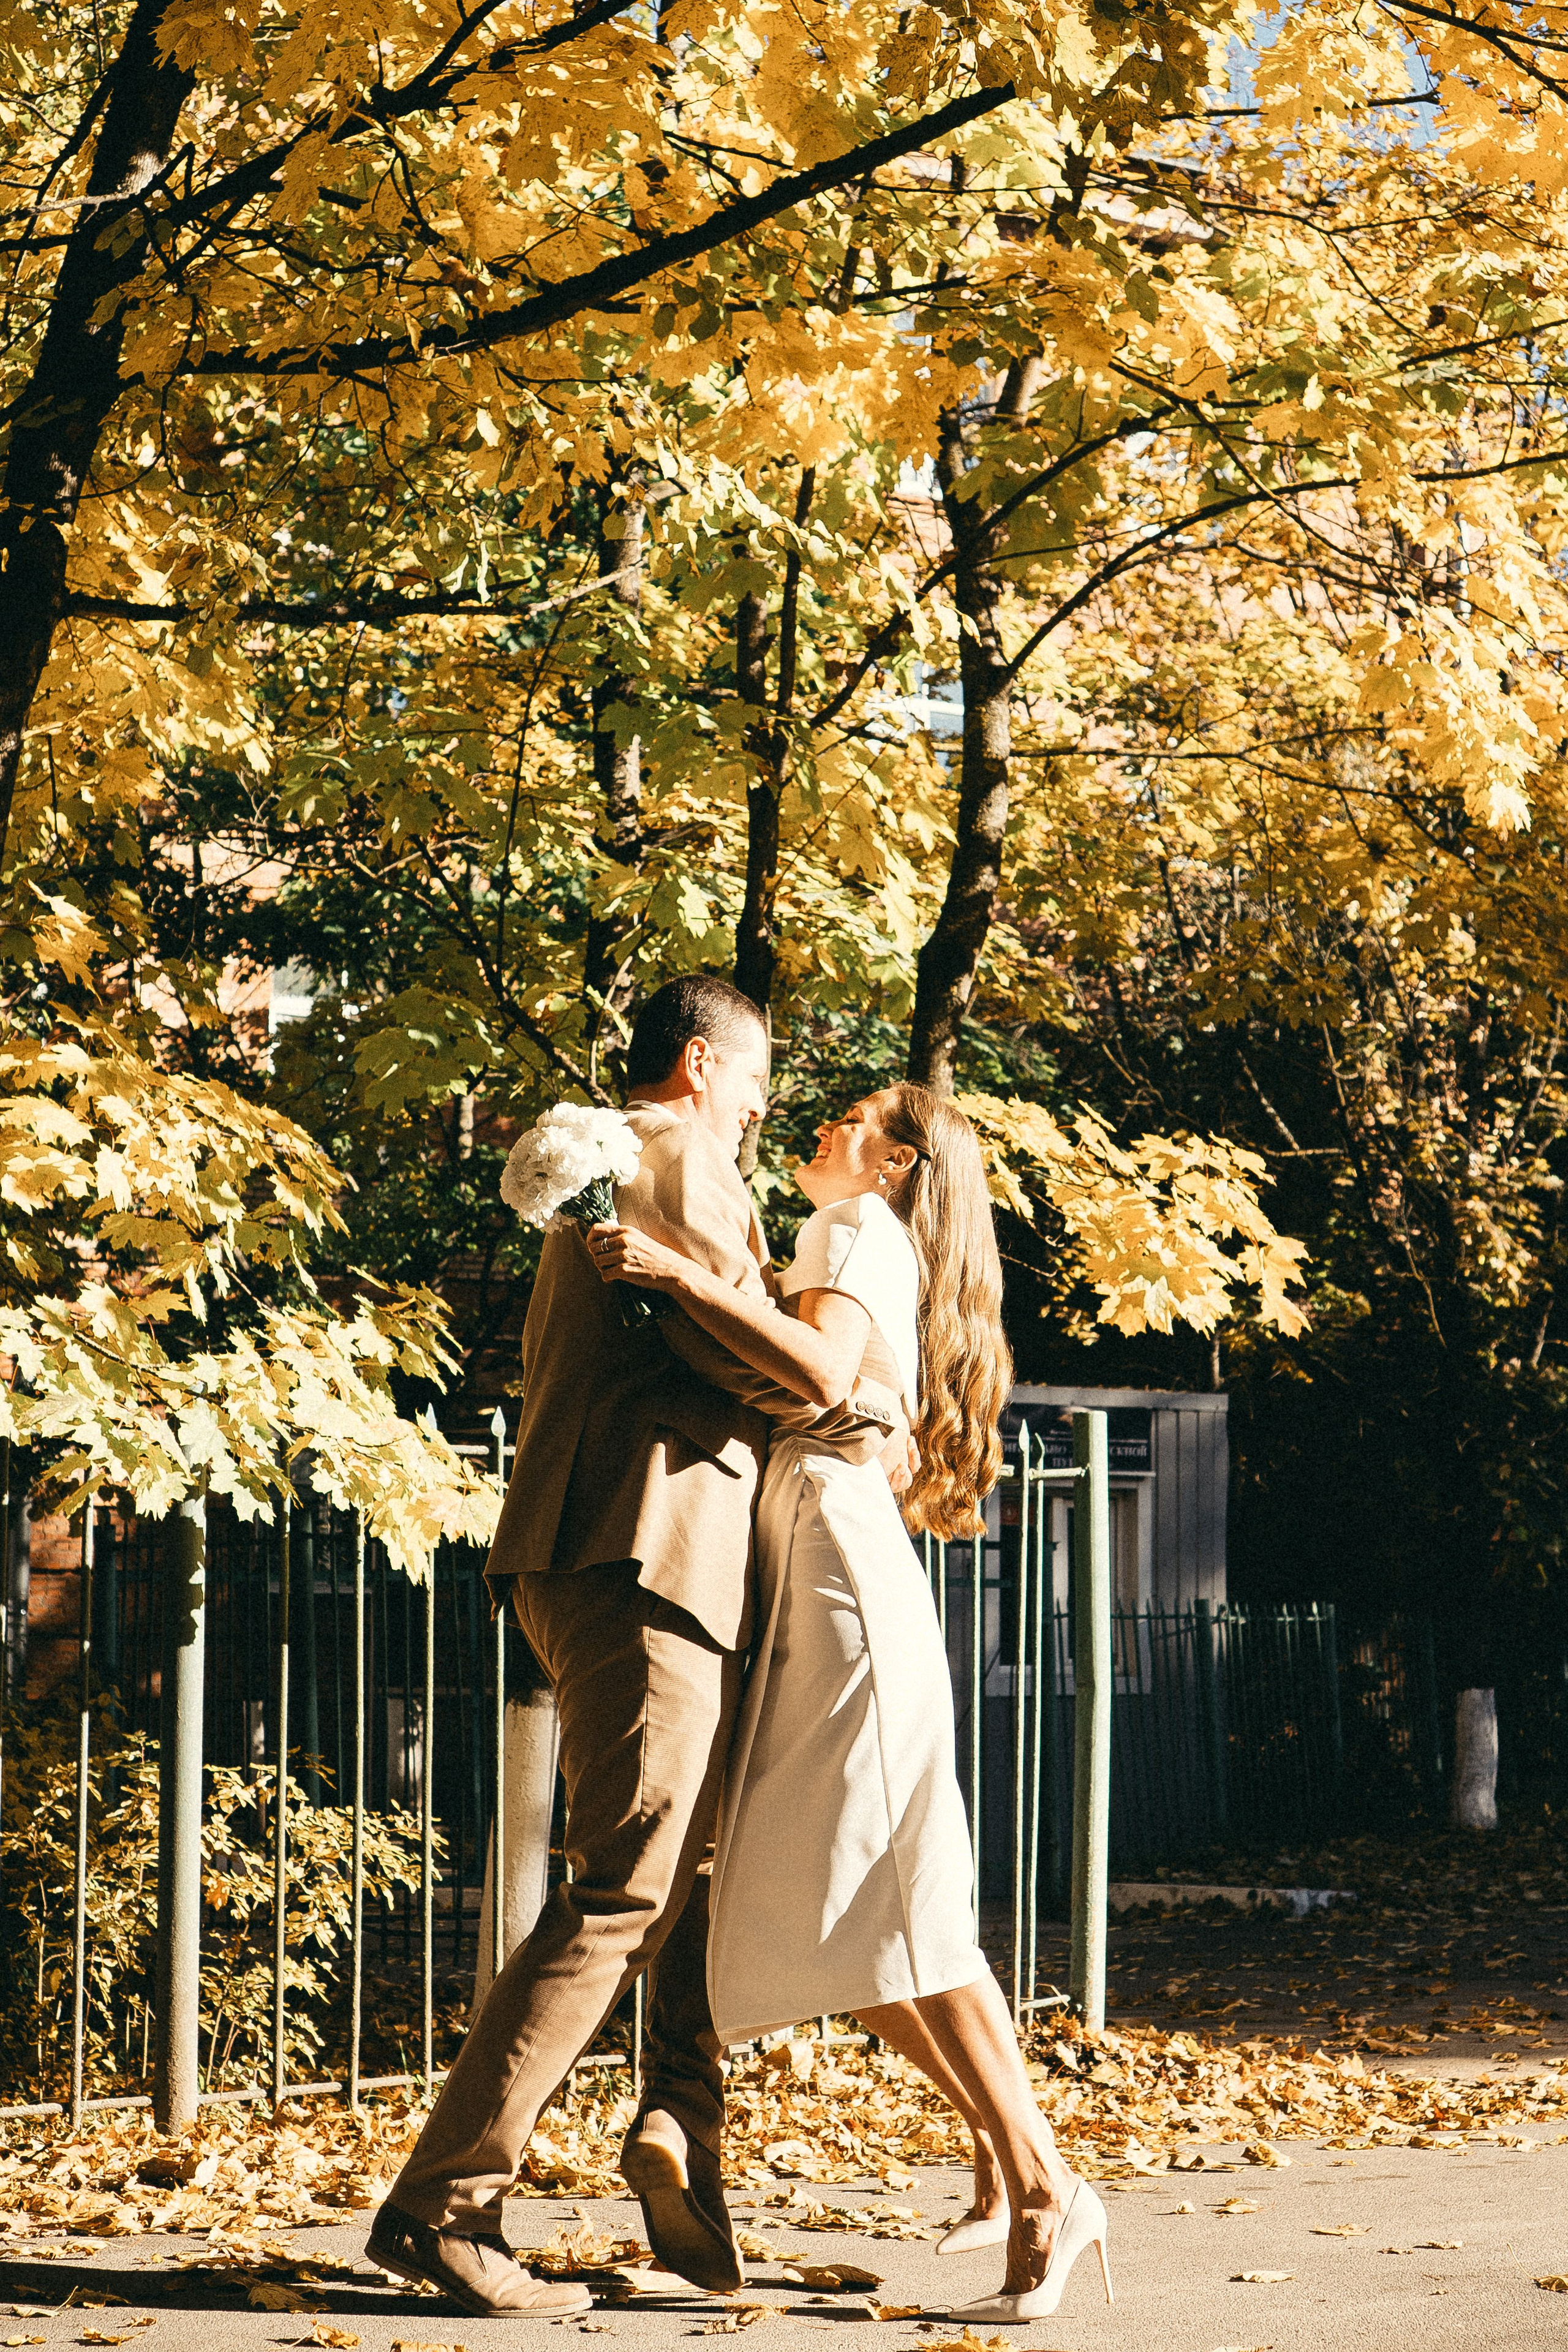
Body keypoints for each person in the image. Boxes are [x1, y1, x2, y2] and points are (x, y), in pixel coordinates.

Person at [366, 978, 903, 2320]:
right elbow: (758, 1361)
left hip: (617, 1545)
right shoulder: (671, 1152)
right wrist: (840, 1385)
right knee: (622, 1886)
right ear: (703, 1062)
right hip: (640, 1543)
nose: (766, 1100)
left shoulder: (635, 1159)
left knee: (687, 1871)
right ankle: (447, 2211)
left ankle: (682, 2147)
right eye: (757, 1072)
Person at [590, 1083, 1112, 2324]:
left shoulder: (848, 1234)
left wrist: (670, 1273)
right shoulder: (850, 1241)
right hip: (827, 1577)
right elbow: (852, 1393)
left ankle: (1045, 2192)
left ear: (892, 1164)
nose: (825, 1124)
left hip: (841, 1594)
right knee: (862, 1940)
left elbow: (821, 1368)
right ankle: (1009, 2163)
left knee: (905, 1916)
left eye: (854, 1118)